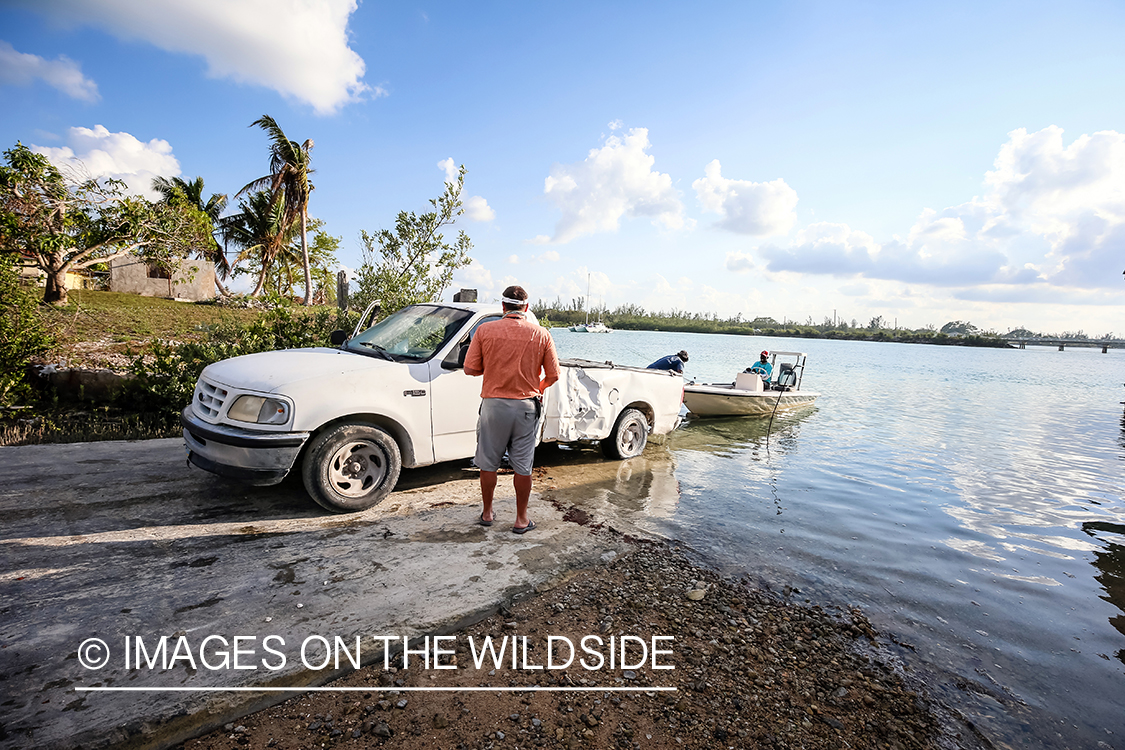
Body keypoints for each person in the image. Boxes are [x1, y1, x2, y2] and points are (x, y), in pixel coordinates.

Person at [464, 285, 560, 534]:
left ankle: (487, 513)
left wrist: (495, 368)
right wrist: (537, 387)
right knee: (523, 465)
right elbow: (554, 375)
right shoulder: (541, 334)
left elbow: (470, 369)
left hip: (494, 406)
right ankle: (521, 519)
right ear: (526, 308)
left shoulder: (485, 330)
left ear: (503, 307)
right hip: (526, 406)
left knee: (488, 462)